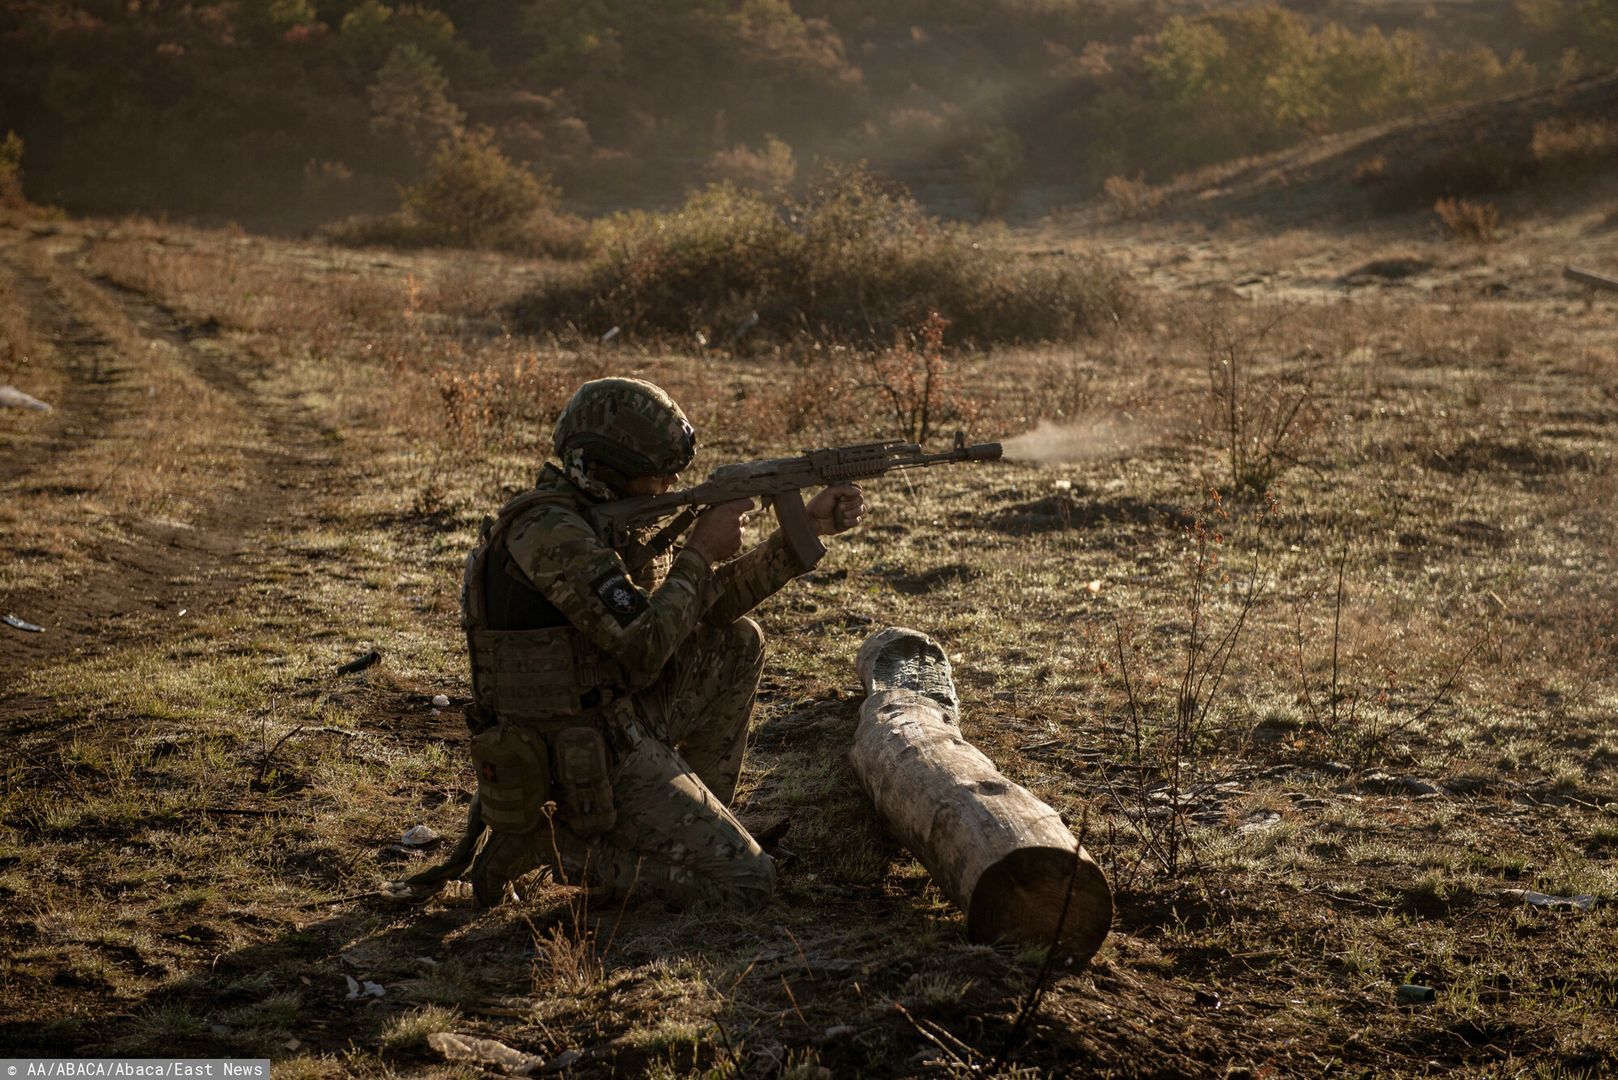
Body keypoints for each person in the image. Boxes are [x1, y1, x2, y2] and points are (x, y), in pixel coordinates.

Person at [453, 377, 864, 909]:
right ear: (610, 468)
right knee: (746, 885)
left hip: (618, 715)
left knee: (737, 642)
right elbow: (645, 644)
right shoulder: (551, 533)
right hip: (572, 750)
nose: (670, 484)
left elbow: (701, 610)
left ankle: (699, 817)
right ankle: (552, 848)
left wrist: (803, 530)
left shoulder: (600, 520)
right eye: (659, 474)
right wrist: (697, 551)